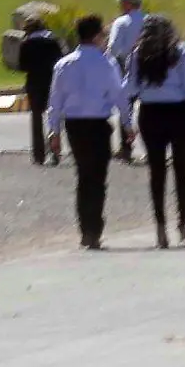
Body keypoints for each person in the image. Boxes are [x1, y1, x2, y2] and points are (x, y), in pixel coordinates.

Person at [46, 14, 134, 250]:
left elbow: (55, 100)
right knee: (98, 178)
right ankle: (95, 227)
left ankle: (86, 228)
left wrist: (53, 131)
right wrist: (127, 123)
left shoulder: (64, 64)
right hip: (98, 124)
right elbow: (119, 95)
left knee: (83, 176)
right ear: (96, 36)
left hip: (74, 125)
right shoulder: (107, 63)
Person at [128, 15, 185, 248]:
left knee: (157, 171)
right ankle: (182, 222)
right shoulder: (179, 52)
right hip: (178, 113)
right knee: (182, 169)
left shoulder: (137, 54)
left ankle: (160, 226)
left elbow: (131, 87)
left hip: (150, 113)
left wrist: (127, 118)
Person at [18, 17, 67, 166]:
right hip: (53, 83)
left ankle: (38, 154)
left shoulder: (26, 44)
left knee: (37, 119)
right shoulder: (53, 42)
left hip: (34, 83)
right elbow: (61, 61)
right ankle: (54, 150)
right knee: (54, 117)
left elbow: (22, 66)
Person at [106, 0, 146, 163]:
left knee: (125, 109)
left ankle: (126, 148)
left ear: (128, 4)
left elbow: (113, 48)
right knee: (147, 110)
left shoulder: (121, 22)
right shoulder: (149, 20)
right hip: (148, 70)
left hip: (127, 69)